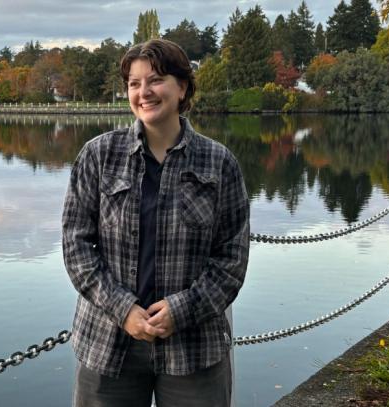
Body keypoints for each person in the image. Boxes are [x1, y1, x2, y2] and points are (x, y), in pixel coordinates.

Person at [62, 38, 250, 407]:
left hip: (194, 347)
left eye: (156, 80)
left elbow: (231, 260)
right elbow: (76, 246)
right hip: (108, 343)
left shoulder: (219, 163)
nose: (144, 92)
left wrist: (181, 311)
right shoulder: (98, 156)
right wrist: (122, 309)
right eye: (134, 83)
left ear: (182, 88)